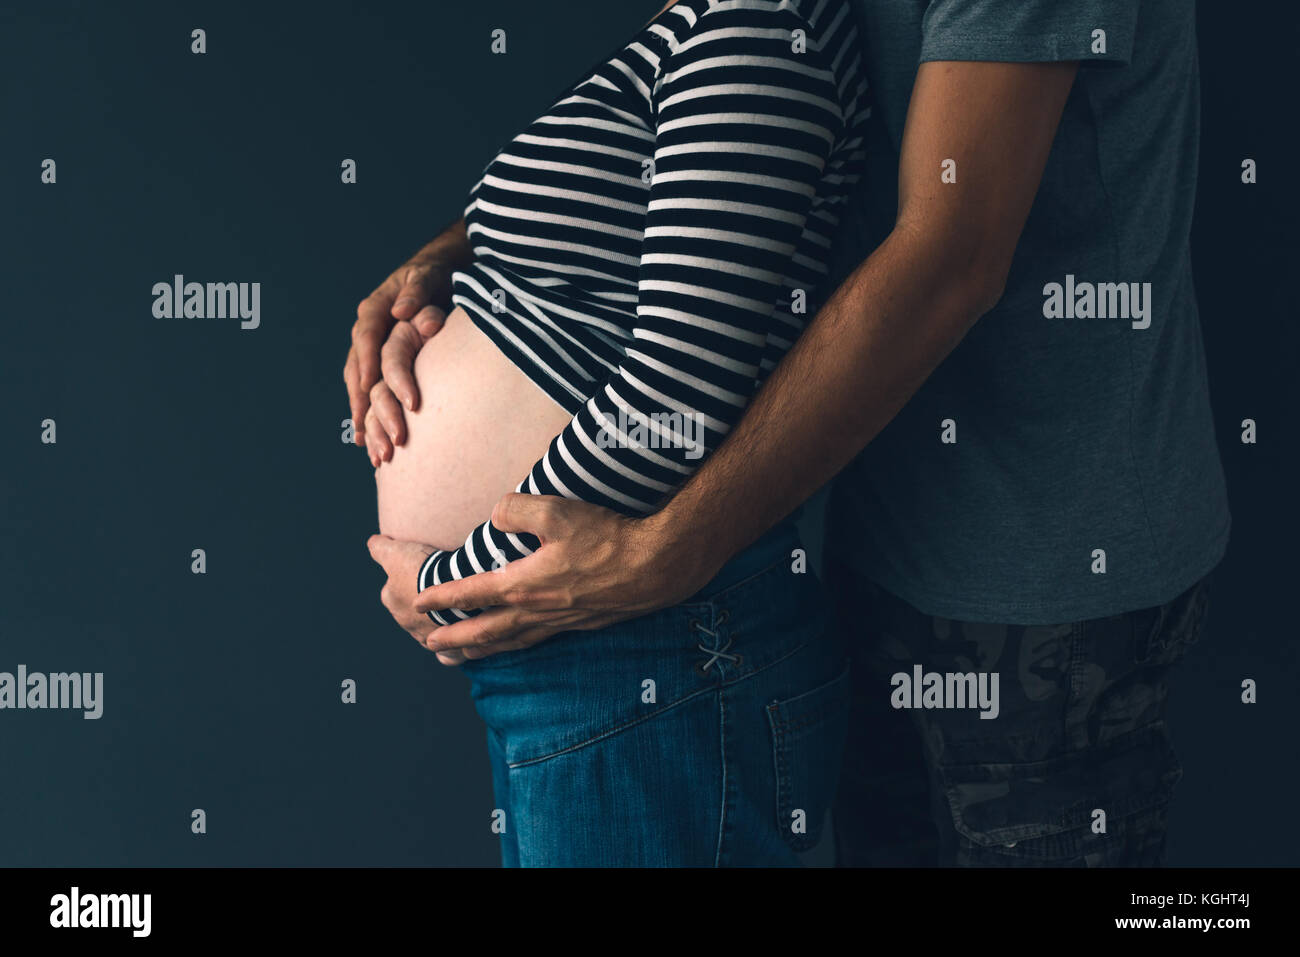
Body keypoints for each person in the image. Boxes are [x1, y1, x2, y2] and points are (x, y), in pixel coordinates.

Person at [358, 0, 1229, 867]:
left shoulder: (767, 23)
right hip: (873, 525)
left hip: (1045, 561)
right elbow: (685, 162)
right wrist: (476, 261)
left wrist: (620, 558)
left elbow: (949, 258)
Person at [356, 0, 873, 865]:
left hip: (650, 652)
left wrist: (461, 579)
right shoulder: (703, 25)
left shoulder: (755, 30)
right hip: (591, 660)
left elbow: (675, 394)